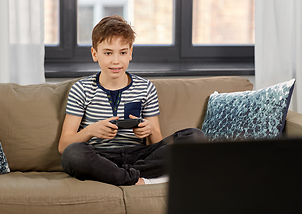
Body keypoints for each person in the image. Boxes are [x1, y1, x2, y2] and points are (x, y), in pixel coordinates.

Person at [58, 15, 206, 186]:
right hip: (101, 157)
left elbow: (156, 143)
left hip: (140, 156)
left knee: (195, 137)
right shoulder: (81, 89)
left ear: (130, 53)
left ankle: (122, 176)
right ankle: (137, 179)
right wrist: (91, 130)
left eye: (122, 52)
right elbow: (63, 146)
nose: (116, 60)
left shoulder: (146, 88)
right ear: (94, 54)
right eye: (108, 53)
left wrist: (149, 130)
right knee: (73, 154)